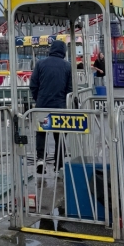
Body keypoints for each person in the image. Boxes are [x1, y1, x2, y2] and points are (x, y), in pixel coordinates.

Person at [29, 39, 73, 173]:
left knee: (41, 133)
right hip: (59, 106)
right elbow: (69, 89)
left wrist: (39, 99)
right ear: (63, 51)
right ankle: (58, 164)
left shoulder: (40, 64)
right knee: (59, 135)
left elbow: (33, 85)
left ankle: (41, 159)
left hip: (42, 105)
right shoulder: (67, 66)